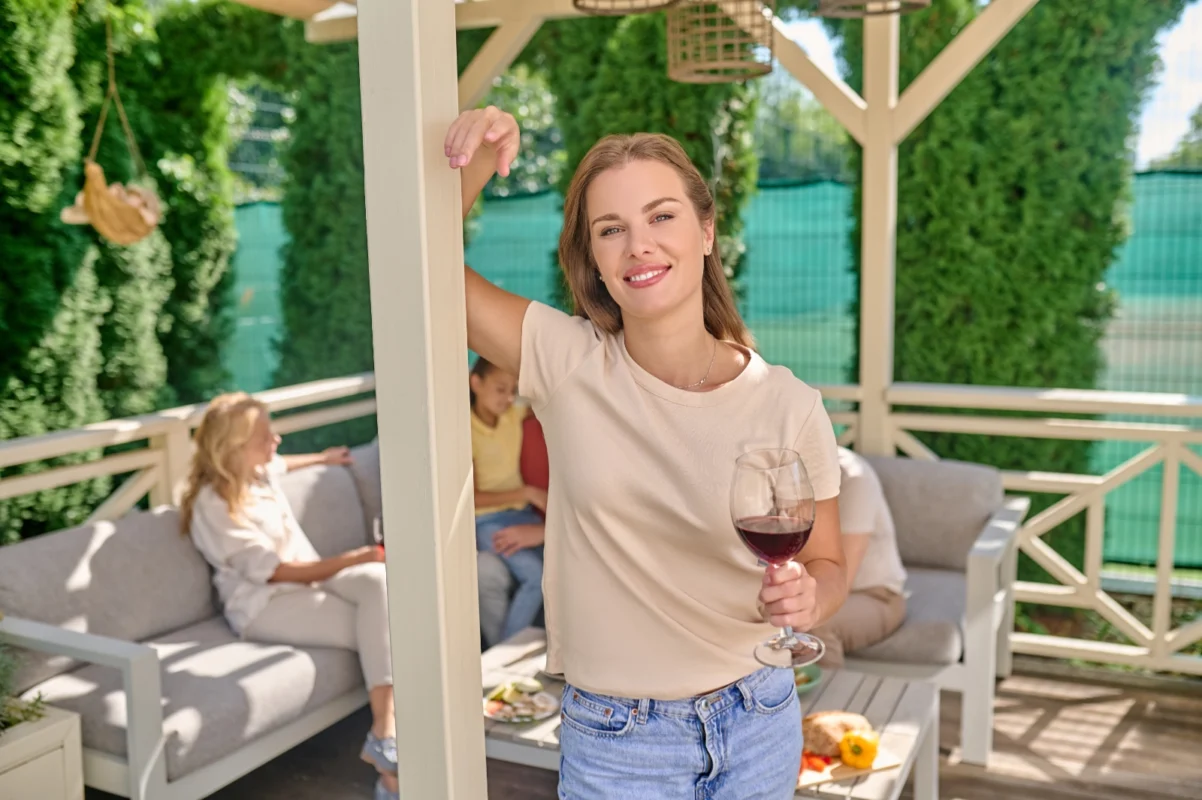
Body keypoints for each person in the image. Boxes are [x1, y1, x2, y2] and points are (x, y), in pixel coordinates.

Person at [445, 107, 848, 799]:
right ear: (594, 260)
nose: (639, 245)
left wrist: (811, 598)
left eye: (662, 217)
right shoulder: (565, 362)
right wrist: (479, 160)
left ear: (707, 232)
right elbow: (419, 270)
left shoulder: (789, 405)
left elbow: (829, 564)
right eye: (611, 230)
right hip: (616, 742)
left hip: (759, 718)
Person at [179, 393, 400, 800]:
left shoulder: (258, 472)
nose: (276, 440)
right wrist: (353, 556)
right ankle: (390, 763)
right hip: (266, 605)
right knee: (388, 627)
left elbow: (284, 462)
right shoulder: (214, 505)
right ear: (234, 448)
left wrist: (323, 458)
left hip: (311, 581)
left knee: (378, 582)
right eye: (265, 435)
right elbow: (275, 571)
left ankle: (384, 738)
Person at [469, 356, 548, 645]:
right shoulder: (463, 431)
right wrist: (527, 492)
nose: (508, 397)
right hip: (488, 521)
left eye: (513, 389)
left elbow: (549, 398)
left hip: (523, 516)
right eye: (500, 389)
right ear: (475, 382)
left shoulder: (512, 416)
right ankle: (505, 654)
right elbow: (471, 499)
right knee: (534, 576)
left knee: (556, 571)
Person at [811, 447, 908, 667]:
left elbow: (838, 580)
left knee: (813, 622)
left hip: (876, 596)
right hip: (810, 587)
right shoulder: (778, 473)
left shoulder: (853, 476)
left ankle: (830, 699)